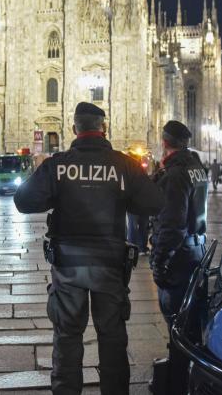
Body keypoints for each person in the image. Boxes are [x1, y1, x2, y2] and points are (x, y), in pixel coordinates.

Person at [14, 102, 163, 395]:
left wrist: (55, 194)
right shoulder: (124, 165)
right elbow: (155, 202)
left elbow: (24, 201)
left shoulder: (58, 164)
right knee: (112, 337)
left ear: (74, 129)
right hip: (109, 266)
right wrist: (124, 199)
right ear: (104, 128)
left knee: (67, 336)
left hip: (68, 266)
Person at [149, 120, 208, 395]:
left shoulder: (175, 174)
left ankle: (176, 384)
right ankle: (187, 379)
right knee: (190, 323)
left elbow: (172, 223)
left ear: (164, 141)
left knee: (177, 325)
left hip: (179, 255)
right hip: (196, 250)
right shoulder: (197, 168)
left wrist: (160, 260)